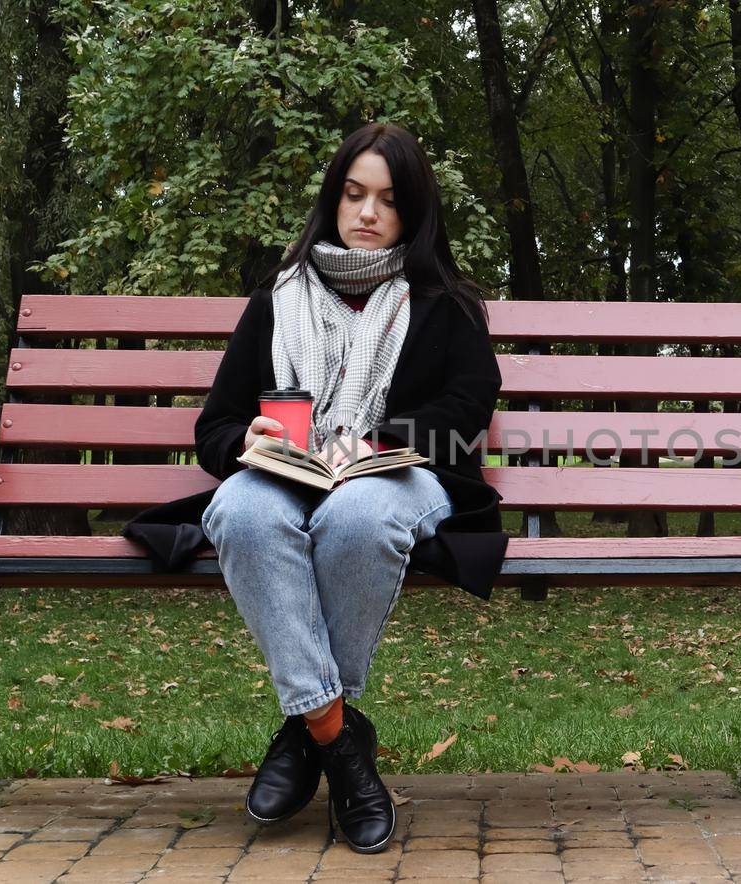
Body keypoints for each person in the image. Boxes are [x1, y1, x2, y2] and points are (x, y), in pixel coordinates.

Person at [184, 122, 507, 854]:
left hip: (402, 476)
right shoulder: (278, 299)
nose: (367, 212)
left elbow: (468, 409)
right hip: (290, 478)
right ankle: (336, 736)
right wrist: (245, 441)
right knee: (238, 510)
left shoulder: (444, 301)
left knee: (358, 517)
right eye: (354, 194)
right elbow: (216, 425)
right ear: (333, 199)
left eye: (387, 200)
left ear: (413, 212)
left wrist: (381, 437)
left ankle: (305, 734)